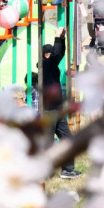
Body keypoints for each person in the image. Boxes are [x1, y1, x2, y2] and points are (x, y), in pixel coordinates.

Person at [39, 28, 78, 178]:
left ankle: (68, 170)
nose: (54, 56)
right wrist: (57, 37)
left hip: (57, 110)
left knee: (67, 139)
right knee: (47, 143)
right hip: (50, 111)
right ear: (46, 55)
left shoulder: (50, 66)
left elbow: (59, 54)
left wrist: (62, 39)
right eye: (50, 53)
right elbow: (57, 55)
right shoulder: (46, 65)